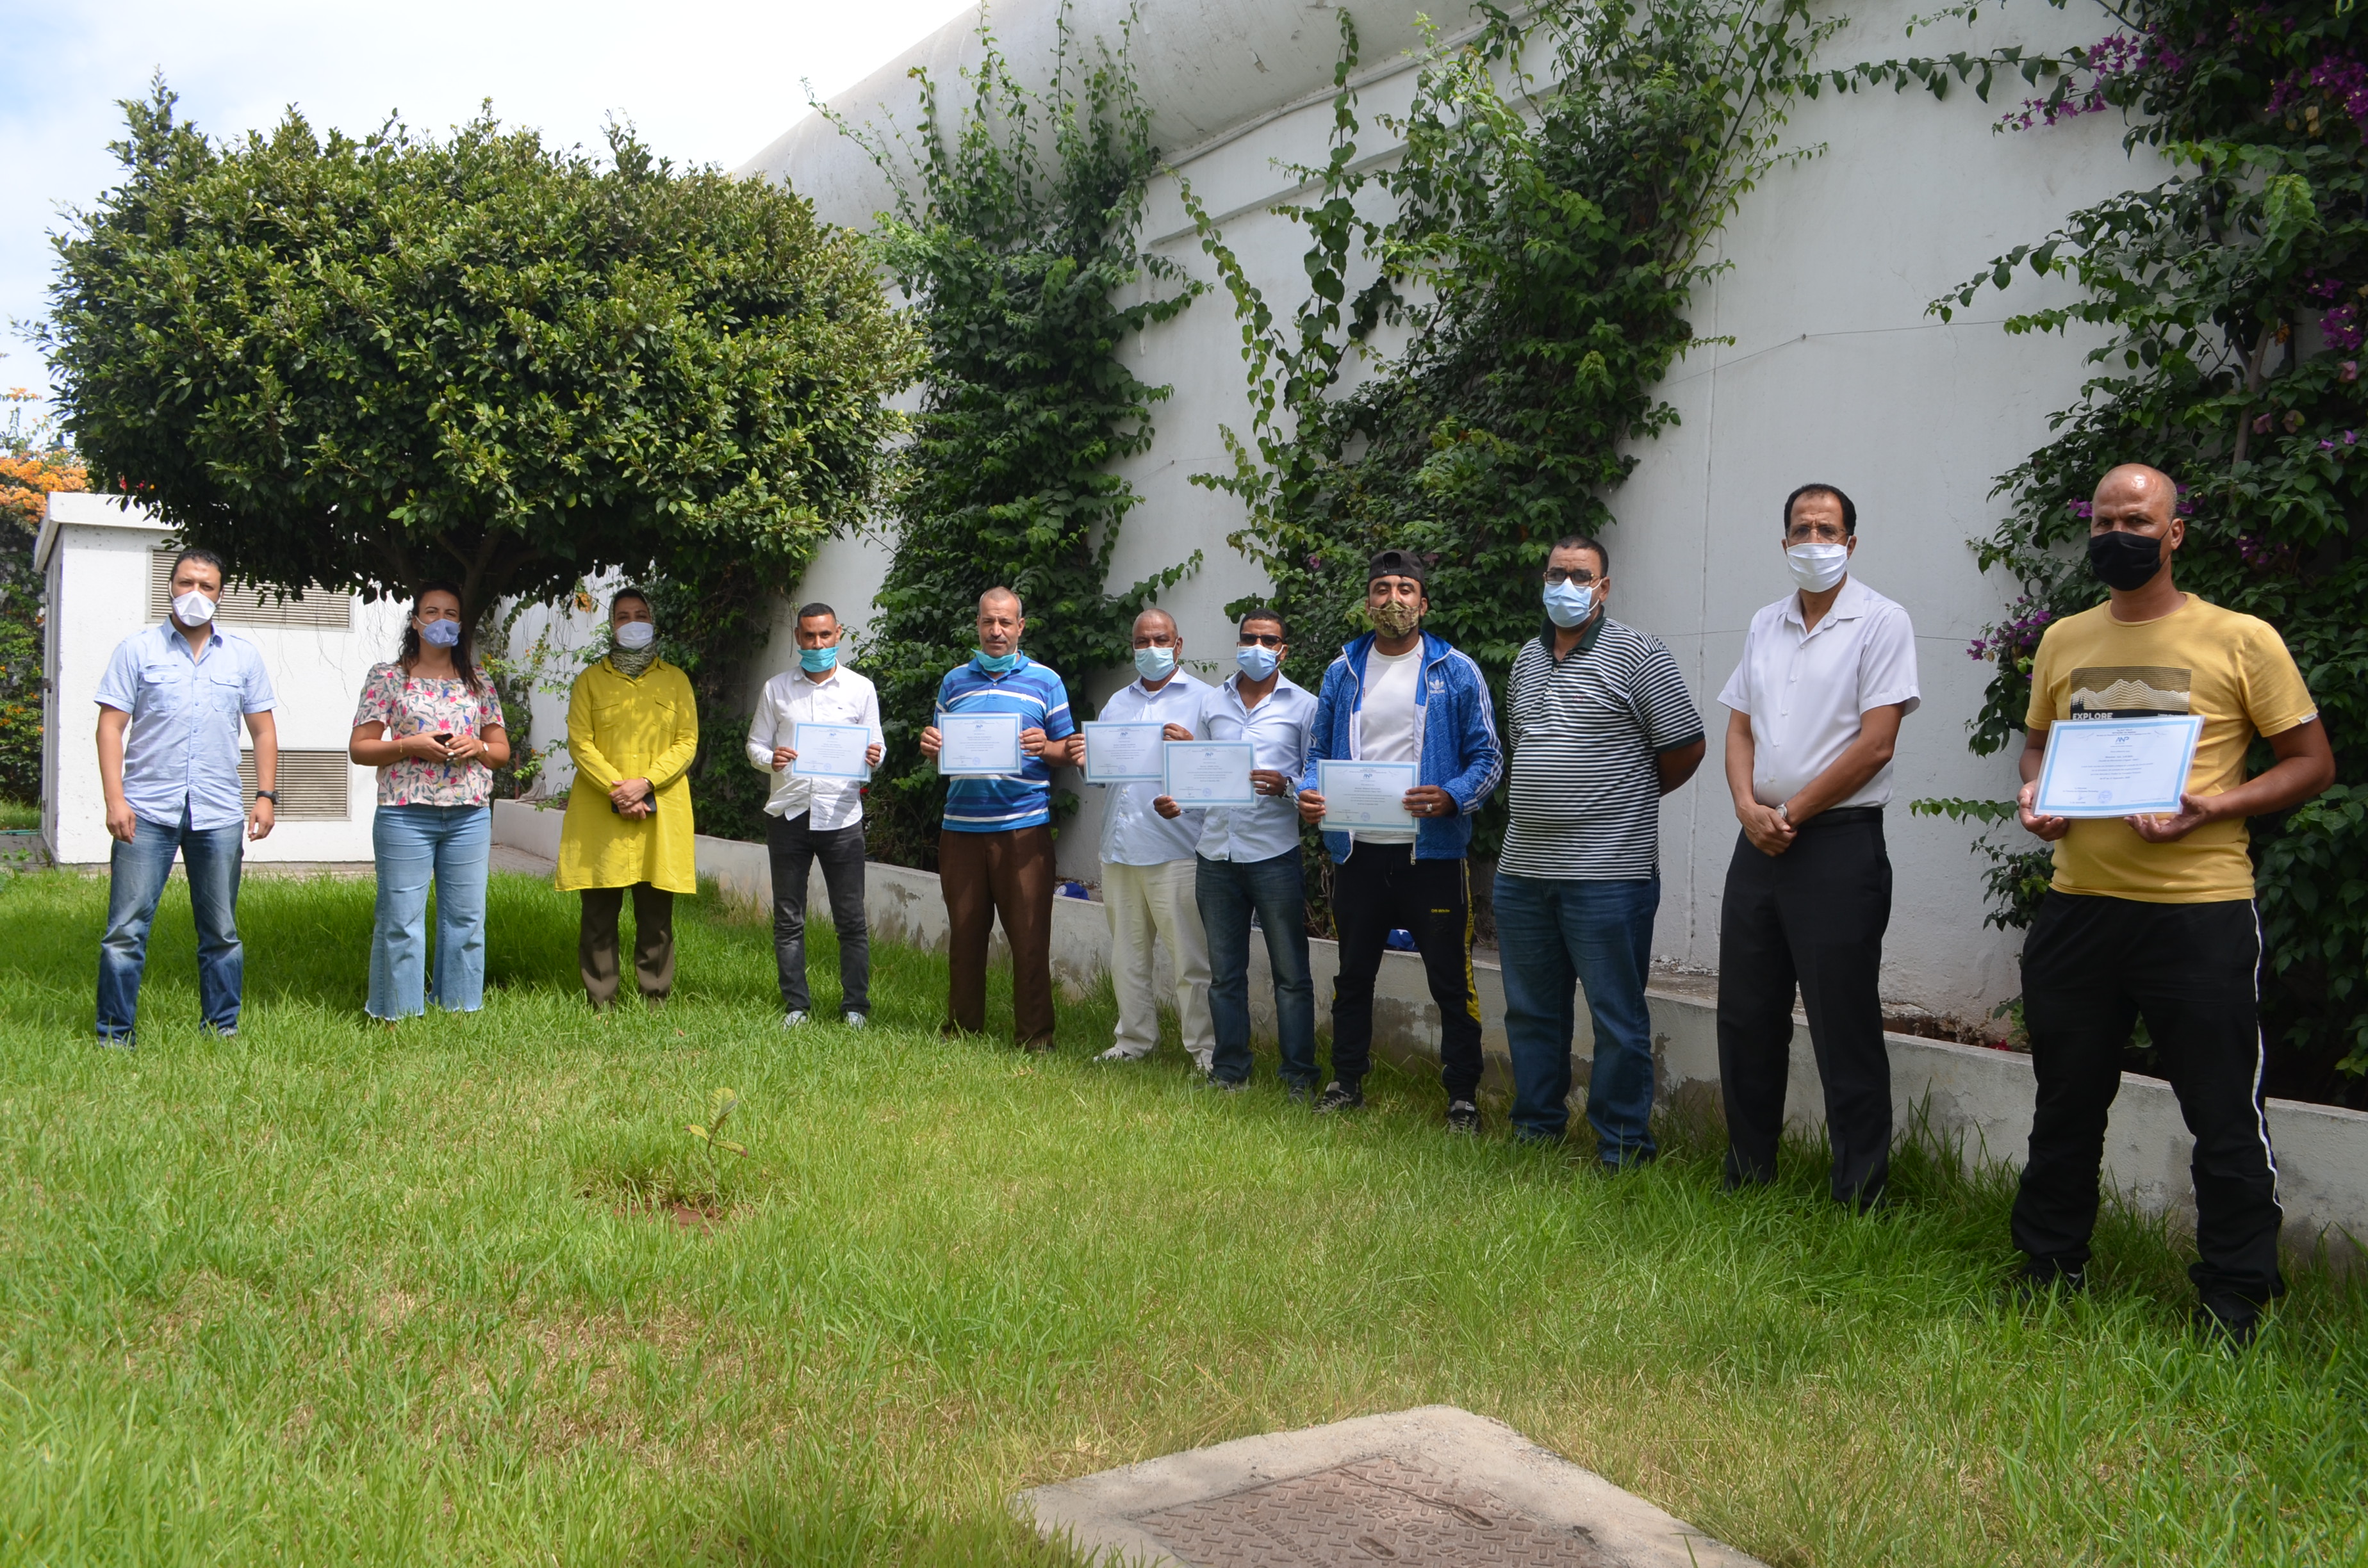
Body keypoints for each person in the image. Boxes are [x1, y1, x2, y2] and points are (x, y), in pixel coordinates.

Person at [2010, 463, 2333, 1343]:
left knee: (2224, 1113)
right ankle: (2047, 1271)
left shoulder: (2241, 639)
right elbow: (2038, 750)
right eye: (2107, 517)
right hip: (2080, 906)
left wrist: (2214, 805)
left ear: (2175, 532)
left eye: (2140, 518)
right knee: (2066, 1100)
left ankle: (2234, 1301)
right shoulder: (2065, 640)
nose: (2121, 531)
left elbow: (2312, 762)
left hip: (2199, 911)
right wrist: (2035, 800)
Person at [1716, 483, 1920, 1209]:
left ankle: (1860, 1194)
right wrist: (1747, 807)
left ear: (1851, 543)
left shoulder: (1882, 621)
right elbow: (1739, 727)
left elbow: (1877, 744)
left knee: (1844, 1023)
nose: (1813, 540)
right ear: (1784, 544)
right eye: (1800, 529)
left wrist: (1790, 811)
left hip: (1836, 845)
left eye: (1827, 529)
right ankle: (1747, 1174)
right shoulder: (1764, 624)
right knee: (1745, 1013)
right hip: (1758, 842)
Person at [1497, 536, 1705, 1161]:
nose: (1567, 585)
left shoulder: (1639, 654)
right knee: (1532, 1012)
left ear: (1603, 588)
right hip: (1523, 870)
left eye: (1581, 575)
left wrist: (1620, 801)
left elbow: (1684, 747)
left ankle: (1622, 1146)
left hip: (1609, 874)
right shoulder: (1526, 661)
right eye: (1558, 573)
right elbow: (1524, 747)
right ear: (1543, 579)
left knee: (1616, 1018)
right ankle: (1536, 1130)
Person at [1296, 549, 1504, 1128]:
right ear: (1368, 602)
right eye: (1382, 589)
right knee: (1353, 975)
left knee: (1451, 979)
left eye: (1406, 589)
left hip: (1432, 855)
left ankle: (1462, 1096)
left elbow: (1488, 758)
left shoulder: (1455, 670)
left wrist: (1451, 796)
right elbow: (1317, 755)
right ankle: (1345, 1082)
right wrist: (1309, 793)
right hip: (1357, 852)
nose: (1394, 599)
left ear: (1424, 602)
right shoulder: (1343, 670)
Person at [92, 547, 279, 1046]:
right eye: (185, 583)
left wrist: (266, 796)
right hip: (146, 810)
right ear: (170, 587)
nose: (195, 594)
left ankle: (221, 1029)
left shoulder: (242, 656)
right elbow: (110, 728)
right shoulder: (137, 650)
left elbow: (263, 731)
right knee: (125, 931)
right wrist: (115, 799)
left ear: (221, 593)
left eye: (207, 586)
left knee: (220, 931)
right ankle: (114, 1035)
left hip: (218, 813)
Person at [1156, 607, 1320, 1095]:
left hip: (1274, 855)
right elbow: (1202, 775)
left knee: (1291, 974)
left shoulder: (1305, 706)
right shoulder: (1211, 704)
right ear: (1237, 643)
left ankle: (1298, 1077)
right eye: (1249, 638)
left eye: (1269, 640)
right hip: (1216, 856)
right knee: (1224, 974)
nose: (1258, 647)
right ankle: (1230, 1072)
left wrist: (1286, 786)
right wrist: (1177, 802)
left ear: (1283, 649)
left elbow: (1316, 779)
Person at [918, 587, 1080, 1050]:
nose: (997, 631)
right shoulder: (954, 682)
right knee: (965, 934)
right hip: (962, 828)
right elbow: (943, 755)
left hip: (1023, 827)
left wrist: (1043, 748)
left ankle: (1036, 1037)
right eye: (989, 622)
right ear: (978, 624)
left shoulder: (1046, 681)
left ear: (1020, 627)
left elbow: (1067, 750)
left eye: (1006, 623)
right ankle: (963, 1030)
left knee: (1030, 937)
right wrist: (934, 749)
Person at [347, 582, 511, 1020]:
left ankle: (459, 1010)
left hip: (469, 815)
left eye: (451, 614)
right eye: (432, 612)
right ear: (416, 621)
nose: (442, 620)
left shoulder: (479, 682)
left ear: (461, 624)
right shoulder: (388, 676)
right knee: (400, 922)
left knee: (467, 921)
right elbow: (360, 748)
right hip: (405, 813)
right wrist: (410, 745)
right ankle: (395, 1015)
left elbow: (500, 752)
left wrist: (476, 747)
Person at [556, 588, 699, 1009]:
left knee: (656, 917)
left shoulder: (675, 681)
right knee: (599, 915)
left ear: (653, 623)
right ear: (612, 625)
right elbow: (581, 743)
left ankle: (655, 998)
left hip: (660, 812)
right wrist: (620, 790)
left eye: (641, 615)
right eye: (623, 616)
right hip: (602, 812)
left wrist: (646, 784)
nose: (633, 622)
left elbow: (687, 741)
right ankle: (601, 1000)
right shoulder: (589, 682)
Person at [746, 602, 884, 1028]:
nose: (818, 644)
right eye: (809, 636)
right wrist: (774, 758)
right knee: (789, 917)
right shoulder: (776, 689)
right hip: (789, 814)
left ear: (838, 634)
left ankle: (855, 1007)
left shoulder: (860, 689)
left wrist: (874, 757)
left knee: (851, 918)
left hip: (841, 816)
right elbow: (755, 748)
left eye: (825, 636)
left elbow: (875, 747)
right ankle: (796, 1007)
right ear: (798, 638)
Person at [1087, 607, 1215, 1070]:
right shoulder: (1117, 703)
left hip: (1176, 850)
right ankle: (1134, 1039)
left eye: (1161, 640)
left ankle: (1204, 1051)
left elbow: (1220, 772)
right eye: (1142, 642)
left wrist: (1191, 752)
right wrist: (1090, 758)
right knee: (1128, 957)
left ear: (1178, 646)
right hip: (1119, 848)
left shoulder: (1206, 701)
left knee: (1190, 962)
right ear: (1133, 647)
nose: (1152, 649)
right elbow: (1105, 777)